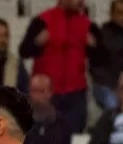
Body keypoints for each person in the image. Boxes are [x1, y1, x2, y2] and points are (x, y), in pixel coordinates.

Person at [19, 0, 102, 134]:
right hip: (46, 93)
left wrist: (94, 47)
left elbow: (101, 59)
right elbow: (24, 51)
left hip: (76, 92)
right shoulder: (41, 21)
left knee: (75, 135)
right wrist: (37, 43)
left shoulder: (88, 25)